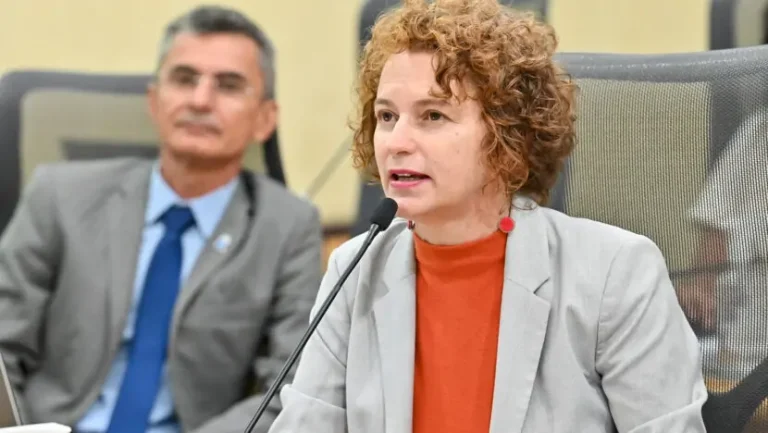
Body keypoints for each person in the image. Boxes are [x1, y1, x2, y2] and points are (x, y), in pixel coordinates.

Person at [268, 1, 708, 432]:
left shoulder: (615, 272)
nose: (395, 142)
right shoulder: (355, 270)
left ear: (507, 137)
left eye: (433, 115)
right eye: (386, 116)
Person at [0, 5, 323, 433]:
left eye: (228, 85)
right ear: (154, 101)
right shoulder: (58, 195)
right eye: (184, 79)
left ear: (265, 119)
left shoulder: (288, 227)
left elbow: (290, 387)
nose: (200, 100)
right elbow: (4, 343)